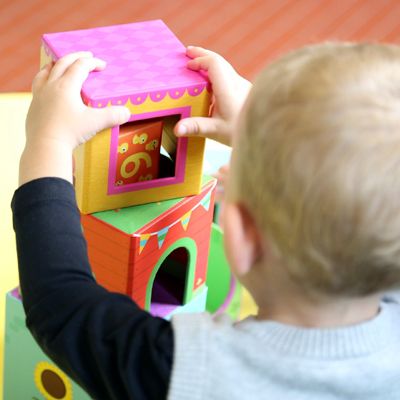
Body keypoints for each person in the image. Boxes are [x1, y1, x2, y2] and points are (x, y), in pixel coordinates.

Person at [12, 43, 400, 399]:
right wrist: (257, 133)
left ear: (243, 236)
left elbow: (60, 305)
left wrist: (48, 142)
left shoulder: (188, 371)